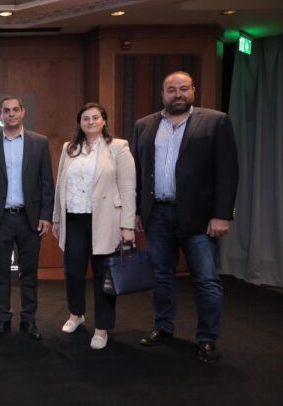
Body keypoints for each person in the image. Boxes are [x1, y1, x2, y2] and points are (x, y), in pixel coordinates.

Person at [131, 71, 238, 363]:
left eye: (183, 88)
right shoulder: (144, 125)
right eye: (171, 90)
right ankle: (163, 327)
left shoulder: (215, 121)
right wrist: (138, 210)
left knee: (206, 280)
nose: (177, 94)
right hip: (157, 215)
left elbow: (227, 172)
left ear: (193, 90)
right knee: (161, 276)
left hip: (200, 219)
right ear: (162, 94)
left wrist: (222, 215)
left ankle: (207, 339)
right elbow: (138, 172)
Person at [51, 102, 136, 350]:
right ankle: (76, 314)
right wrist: (57, 217)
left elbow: (128, 188)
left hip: (106, 220)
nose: (90, 122)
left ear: (104, 121)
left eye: (95, 117)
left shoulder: (118, 147)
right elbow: (60, 185)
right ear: (80, 123)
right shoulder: (69, 148)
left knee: (104, 276)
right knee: (73, 271)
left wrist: (127, 225)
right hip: (74, 219)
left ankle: (102, 328)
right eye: (85, 118)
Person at [0, 96, 54, 340]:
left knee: (28, 274)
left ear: (23, 112)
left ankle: (29, 320)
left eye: (15, 110)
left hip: (30, 220)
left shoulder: (39, 142)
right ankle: (3, 318)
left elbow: (46, 183)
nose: (11, 114)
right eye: (6, 110)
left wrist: (46, 215)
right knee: (0, 273)